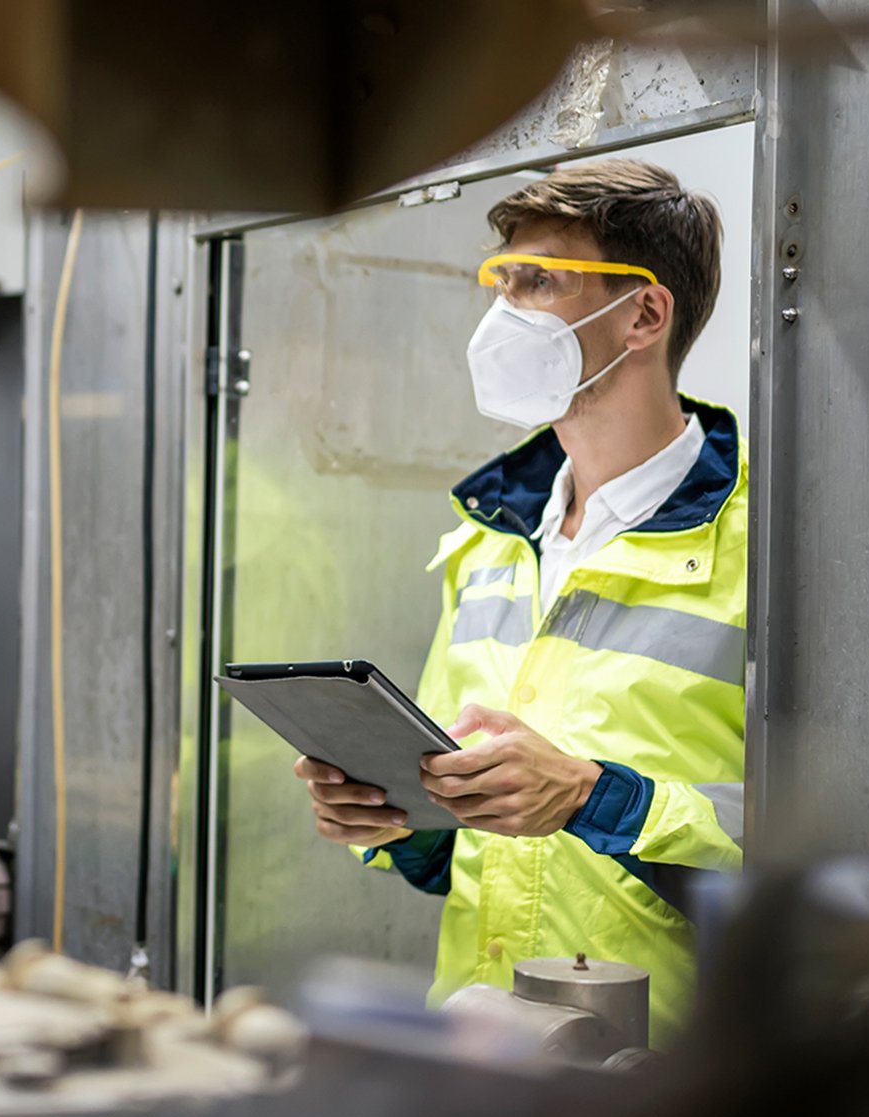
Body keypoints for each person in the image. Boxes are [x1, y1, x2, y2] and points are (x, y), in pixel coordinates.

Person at [294, 159, 744, 1036]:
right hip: (486, 1049)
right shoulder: (490, 535)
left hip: (675, 1074)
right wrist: (394, 816)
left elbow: (848, 845)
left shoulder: (774, 539)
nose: (503, 313)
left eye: (537, 280)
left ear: (644, 314)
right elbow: (457, 837)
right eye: (502, 281)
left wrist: (592, 798)